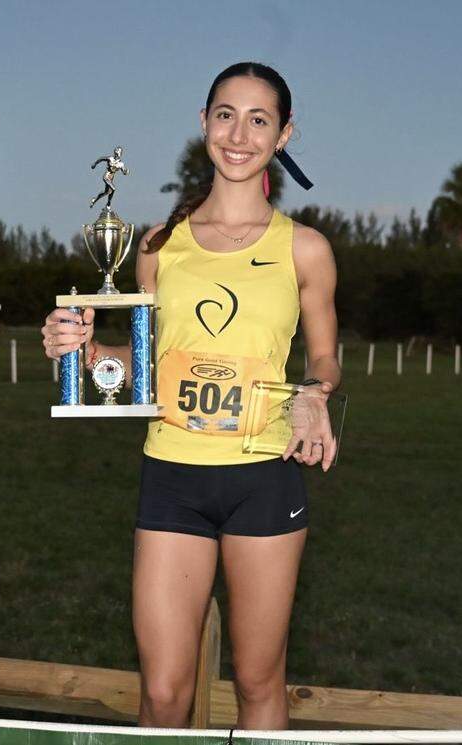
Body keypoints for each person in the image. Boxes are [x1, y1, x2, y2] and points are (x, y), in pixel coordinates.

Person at [41, 61, 340, 730]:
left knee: (260, 683)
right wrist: (82, 349)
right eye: (226, 114)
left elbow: (324, 356)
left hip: (266, 475)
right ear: (204, 122)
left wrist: (315, 393)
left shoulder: (307, 250)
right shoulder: (156, 244)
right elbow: (143, 360)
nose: (240, 133)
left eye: (259, 119)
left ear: (284, 135)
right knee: (166, 694)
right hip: (172, 477)